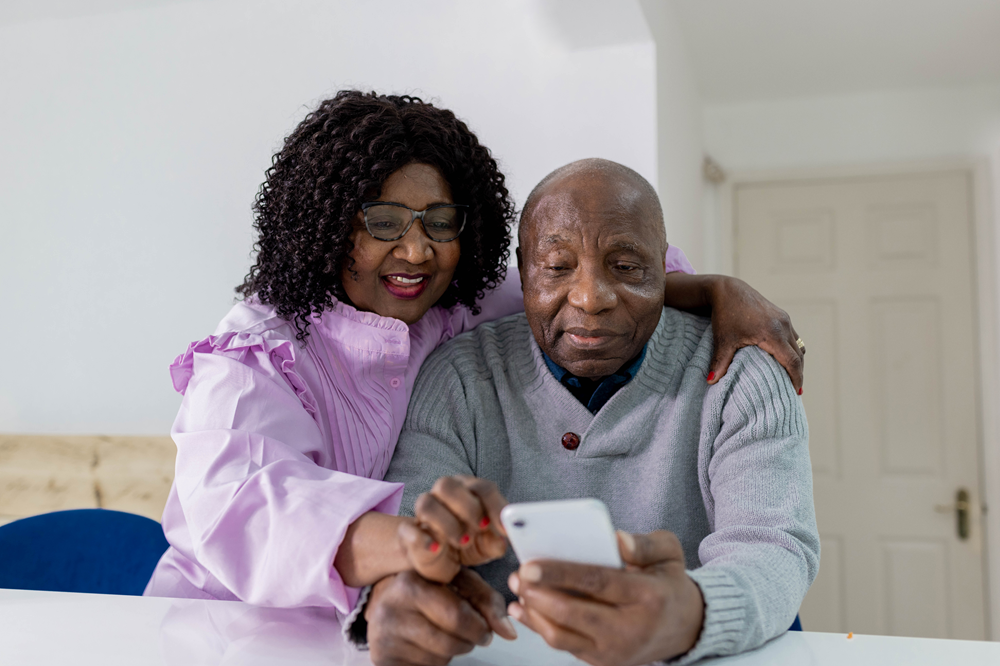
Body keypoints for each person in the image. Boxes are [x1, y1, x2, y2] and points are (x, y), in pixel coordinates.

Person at [144, 91, 806, 627]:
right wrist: (416, 544)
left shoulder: (452, 307)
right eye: (383, 223)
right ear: (327, 225)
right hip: (227, 628)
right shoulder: (255, 356)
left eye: (440, 222)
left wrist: (721, 291)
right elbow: (247, 509)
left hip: (376, 626)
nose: (416, 251)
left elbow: (582, 285)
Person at [371, 159, 820, 666]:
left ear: (664, 270)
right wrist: (395, 593)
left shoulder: (741, 373)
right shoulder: (457, 379)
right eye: (558, 267)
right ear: (522, 271)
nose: (591, 298)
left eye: (626, 268)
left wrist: (689, 613)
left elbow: (775, 549)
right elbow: (405, 532)